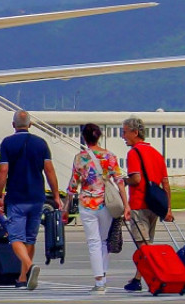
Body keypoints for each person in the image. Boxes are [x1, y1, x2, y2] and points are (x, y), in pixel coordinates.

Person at [0, 110, 61, 290]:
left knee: (16, 237)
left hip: (17, 197)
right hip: (37, 197)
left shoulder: (8, 143)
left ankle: (29, 266)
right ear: (30, 125)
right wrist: (56, 195)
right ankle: (23, 277)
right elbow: (49, 171)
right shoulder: (41, 144)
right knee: (30, 238)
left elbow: (3, 171)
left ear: (13, 125)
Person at [65, 123, 127, 293]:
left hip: (87, 203)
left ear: (84, 138)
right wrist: (126, 204)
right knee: (105, 240)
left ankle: (99, 280)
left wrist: (65, 207)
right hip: (106, 203)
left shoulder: (79, 158)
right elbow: (119, 181)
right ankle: (103, 275)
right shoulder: (110, 156)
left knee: (93, 241)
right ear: (99, 136)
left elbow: (73, 184)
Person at [121, 116, 172, 293]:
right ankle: (137, 279)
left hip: (139, 203)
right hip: (155, 205)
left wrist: (123, 182)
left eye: (125, 132)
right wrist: (168, 208)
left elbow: (136, 178)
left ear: (135, 132)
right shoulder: (157, 154)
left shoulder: (134, 153)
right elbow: (165, 183)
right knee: (147, 243)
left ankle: (158, 275)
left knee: (143, 245)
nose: (123, 136)